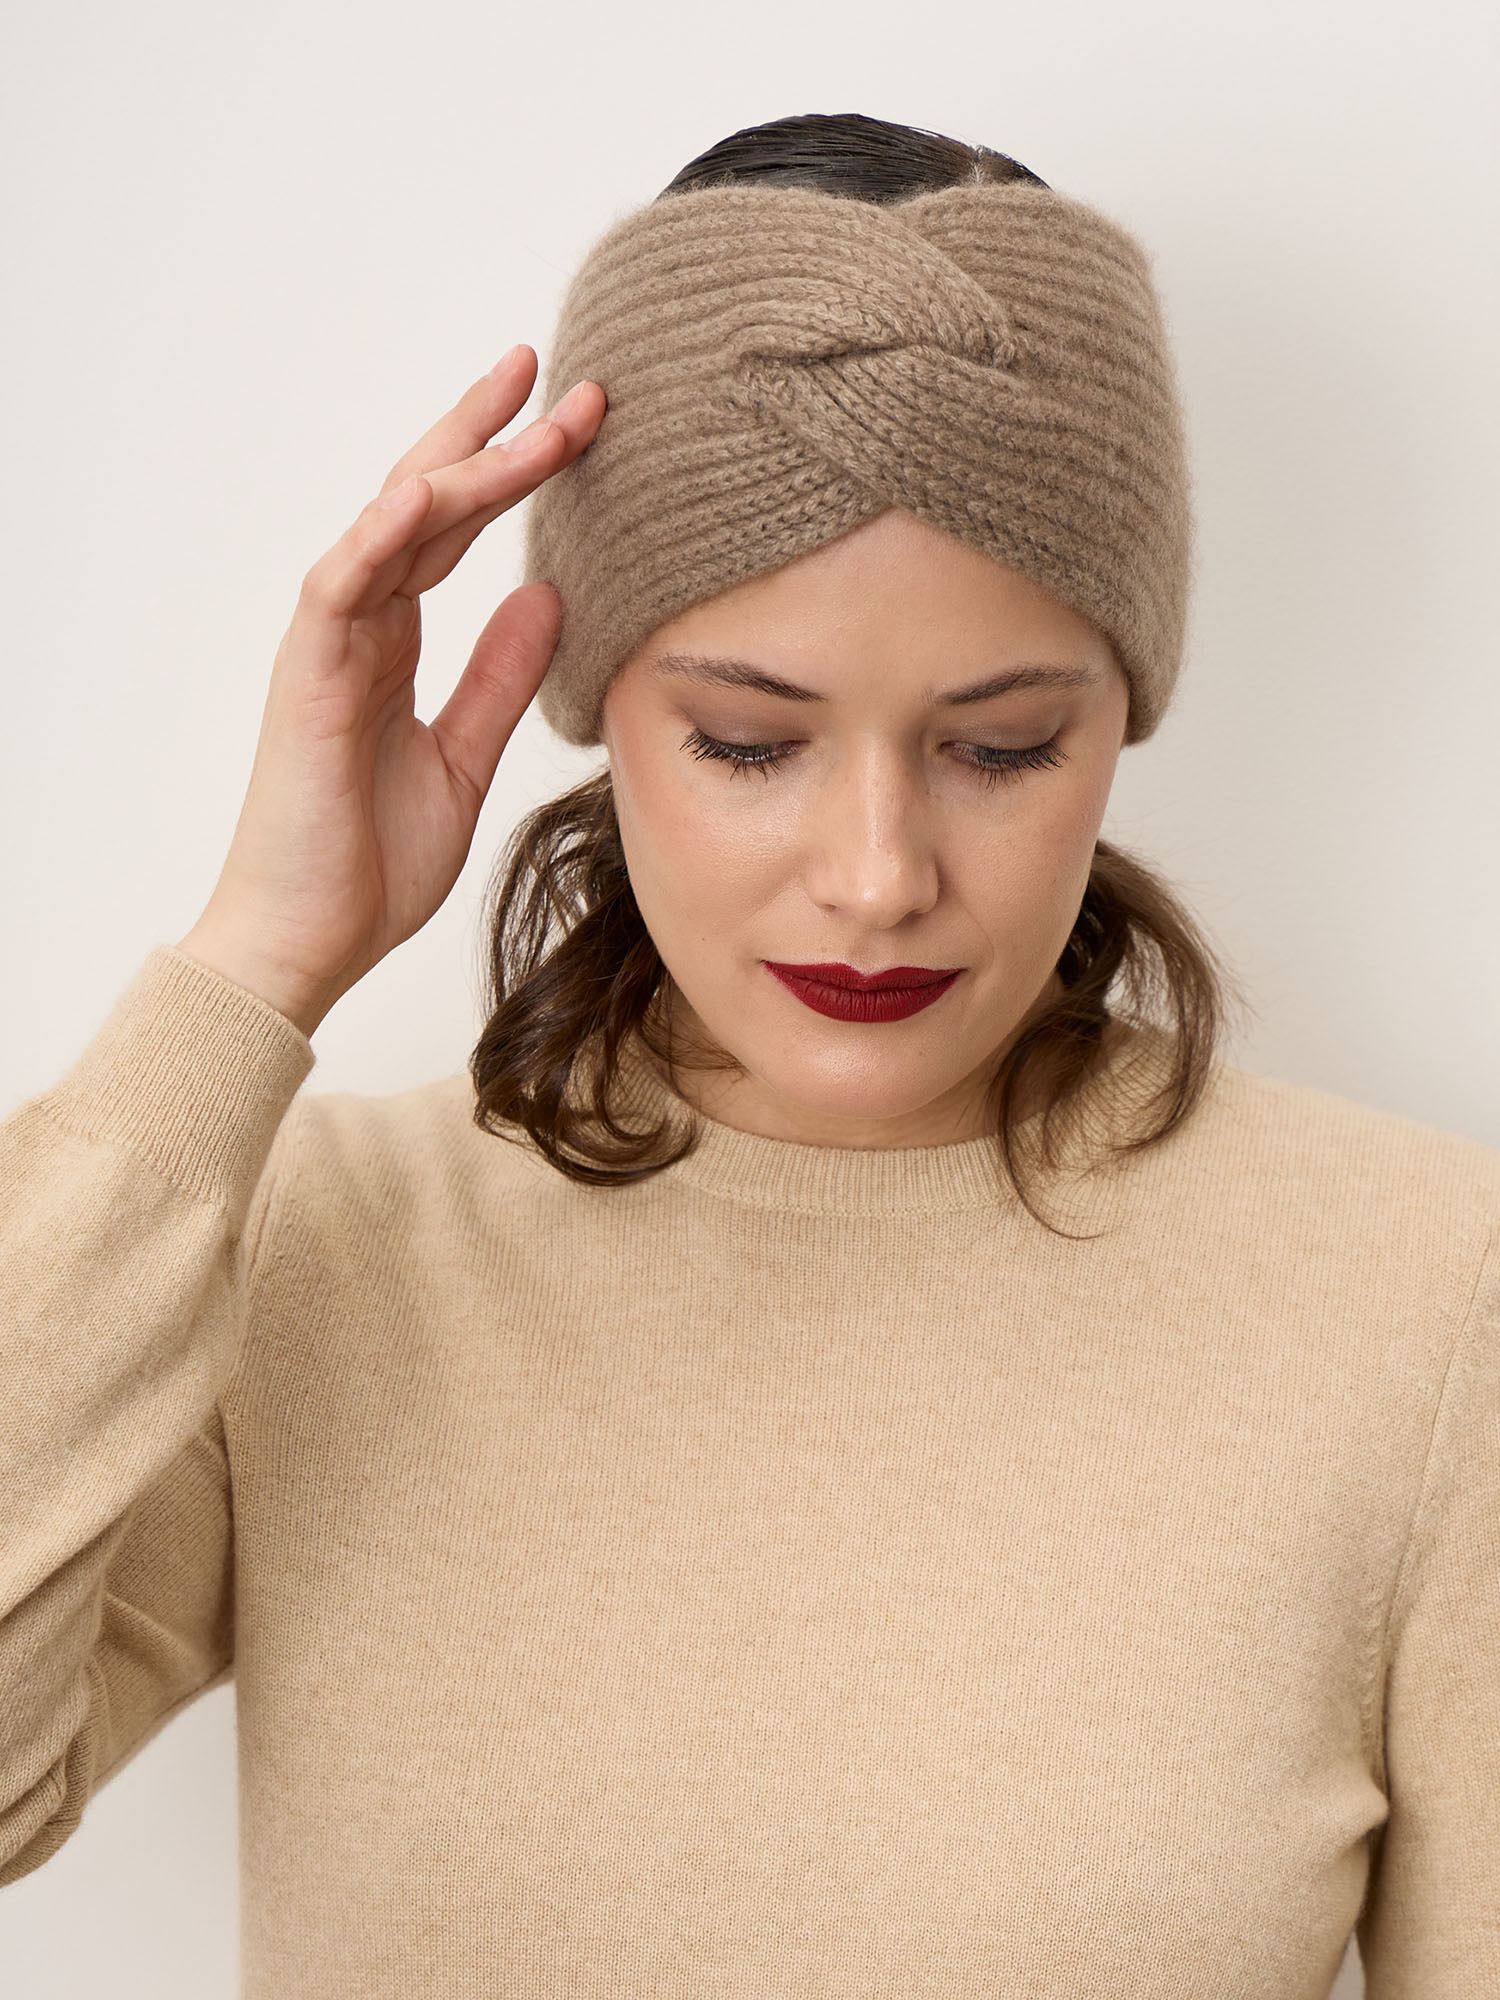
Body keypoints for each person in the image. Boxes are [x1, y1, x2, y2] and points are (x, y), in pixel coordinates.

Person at [1, 110, 1495, 1998]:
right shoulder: (313, 1249)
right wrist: (252, 969)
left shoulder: (1425, 1296)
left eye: (1003, 747)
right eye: (749, 742)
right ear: (588, 699)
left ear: (1122, 717)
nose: (877, 877)